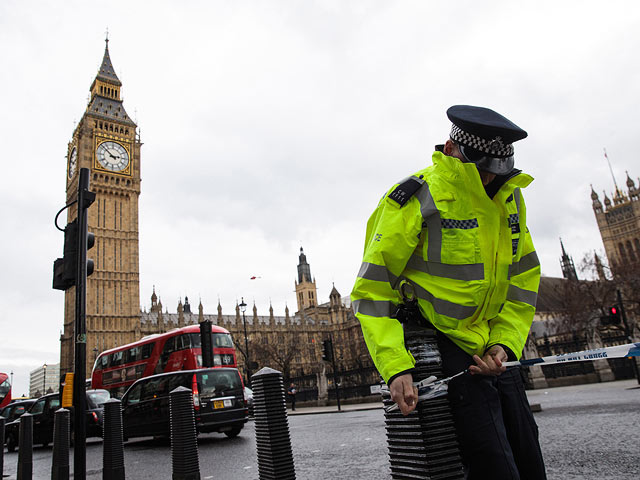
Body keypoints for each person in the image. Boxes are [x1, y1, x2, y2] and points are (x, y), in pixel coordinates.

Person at [351, 105, 546, 479]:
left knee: (527, 456)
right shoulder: (416, 196)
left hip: (493, 349)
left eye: (496, 172)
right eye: (483, 171)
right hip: (441, 349)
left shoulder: (510, 198)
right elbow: (373, 288)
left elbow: (522, 282)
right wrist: (395, 368)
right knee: (493, 465)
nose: (490, 180)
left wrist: (503, 343)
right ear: (453, 148)